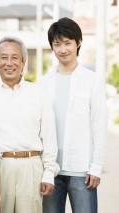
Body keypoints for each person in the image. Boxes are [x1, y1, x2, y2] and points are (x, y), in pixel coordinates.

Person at [0, 36, 60, 213]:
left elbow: (49, 136)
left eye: (15, 57)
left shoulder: (38, 94)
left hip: (31, 167)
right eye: (4, 57)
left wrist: (49, 173)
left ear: (23, 62)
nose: (9, 63)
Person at [40, 17, 108, 213]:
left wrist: (96, 167)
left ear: (78, 43)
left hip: (82, 171)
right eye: (57, 44)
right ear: (52, 47)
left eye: (68, 43)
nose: (63, 49)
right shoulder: (44, 83)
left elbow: (99, 126)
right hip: (50, 171)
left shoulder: (92, 81)